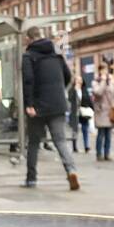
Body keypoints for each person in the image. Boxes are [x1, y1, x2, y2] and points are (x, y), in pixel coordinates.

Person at [21, 27, 80, 191]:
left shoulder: (28, 56)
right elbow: (68, 76)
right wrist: (59, 93)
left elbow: (28, 81)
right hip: (58, 104)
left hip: (38, 106)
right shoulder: (57, 55)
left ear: (29, 38)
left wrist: (29, 105)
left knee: (33, 142)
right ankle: (71, 170)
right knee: (60, 141)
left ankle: (31, 179)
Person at [92, 61, 114, 162]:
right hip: (101, 111)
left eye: (106, 69)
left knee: (108, 135)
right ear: (99, 71)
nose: (104, 71)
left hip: (110, 111)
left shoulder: (112, 81)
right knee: (101, 134)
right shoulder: (96, 82)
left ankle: (107, 154)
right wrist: (103, 81)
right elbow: (98, 92)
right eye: (102, 70)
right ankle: (99, 154)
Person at [68, 75, 93, 154]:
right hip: (75, 113)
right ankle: (74, 147)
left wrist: (92, 109)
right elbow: (70, 99)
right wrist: (75, 90)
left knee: (85, 129)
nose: (79, 81)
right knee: (75, 130)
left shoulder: (84, 90)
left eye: (80, 80)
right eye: (77, 80)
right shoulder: (72, 90)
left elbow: (88, 100)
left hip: (83, 112)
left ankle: (86, 146)